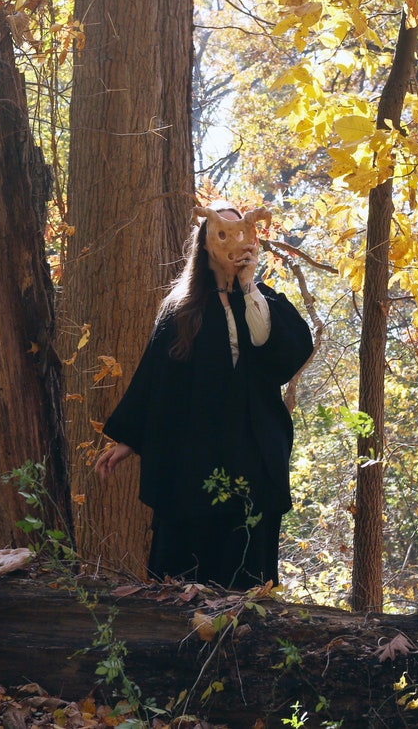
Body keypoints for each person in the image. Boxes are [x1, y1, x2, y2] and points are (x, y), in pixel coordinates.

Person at [94, 200, 313, 589]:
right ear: (205, 241)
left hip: (252, 452)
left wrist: (247, 285)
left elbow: (279, 352)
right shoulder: (181, 308)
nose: (234, 242)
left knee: (245, 561)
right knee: (187, 566)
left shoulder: (264, 300)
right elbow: (154, 379)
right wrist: (129, 439)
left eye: (241, 233)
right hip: (191, 458)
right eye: (223, 232)